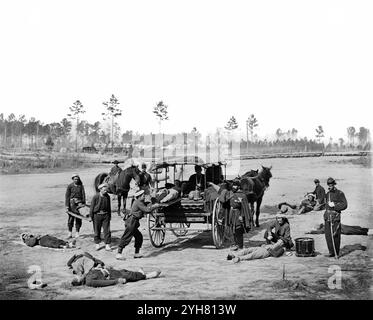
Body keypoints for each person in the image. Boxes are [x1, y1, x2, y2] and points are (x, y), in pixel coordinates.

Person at [68, 252, 161, 287]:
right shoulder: (89, 281)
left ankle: (140, 274)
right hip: (111, 276)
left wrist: (102, 268)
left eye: (77, 275)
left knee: (124, 271)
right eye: (78, 277)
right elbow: (103, 283)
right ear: (80, 281)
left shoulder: (87, 273)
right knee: (127, 275)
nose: (79, 275)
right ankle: (146, 276)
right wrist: (116, 281)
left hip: (111, 271)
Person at [116, 190, 160, 260]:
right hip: (131, 221)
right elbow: (147, 210)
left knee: (139, 237)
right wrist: (155, 206)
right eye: (143, 195)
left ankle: (136, 253)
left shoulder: (140, 202)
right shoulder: (138, 202)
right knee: (126, 237)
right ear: (139, 196)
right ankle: (119, 253)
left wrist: (152, 201)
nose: (144, 196)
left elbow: (147, 205)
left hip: (134, 222)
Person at [323, 177, 348, 258]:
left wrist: (335, 205)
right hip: (327, 217)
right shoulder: (327, 194)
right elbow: (326, 205)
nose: (330, 186)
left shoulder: (340, 193)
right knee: (328, 235)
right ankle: (331, 252)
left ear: (334, 184)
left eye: (331, 184)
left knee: (335, 235)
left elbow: (344, 205)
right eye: (328, 184)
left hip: (335, 217)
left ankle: (336, 253)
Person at [89, 183, 112, 251]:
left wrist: (109, 216)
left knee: (107, 230)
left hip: (106, 215)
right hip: (97, 215)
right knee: (97, 230)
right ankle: (97, 244)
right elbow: (92, 207)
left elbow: (109, 207)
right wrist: (91, 216)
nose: (106, 191)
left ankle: (107, 245)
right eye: (104, 190)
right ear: (100, 190)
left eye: (106, 190)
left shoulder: (107, 196)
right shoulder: (96, 197)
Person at [65, 174, 86, 239]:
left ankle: (77, 232)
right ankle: (70, 233)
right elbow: (67, 196)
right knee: (71, 218)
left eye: (77, 179)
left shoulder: (81, 186)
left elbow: (83, 195)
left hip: (79, 203)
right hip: (72, 204)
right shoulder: (70, 186)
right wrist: (67, 205)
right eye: (75, 179)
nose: (76, 180)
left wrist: (83, 204)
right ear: (73, 179)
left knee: (79, 218)